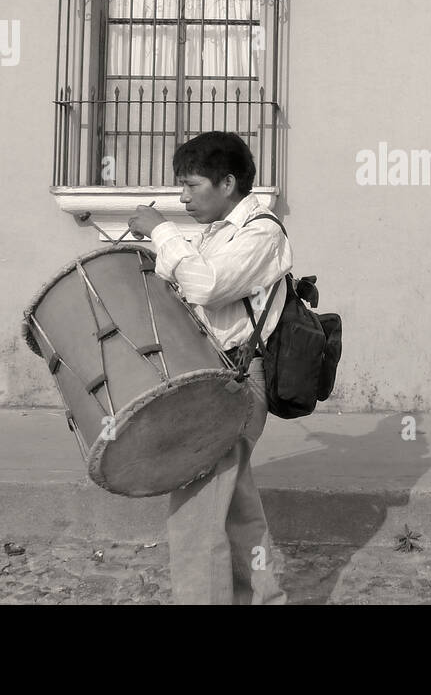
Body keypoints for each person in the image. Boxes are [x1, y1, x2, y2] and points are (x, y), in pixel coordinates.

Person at [127, 131, 290, 604]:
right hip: (212, 379)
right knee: (236, 512)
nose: (182, 197)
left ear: (227, 183)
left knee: (195, 515)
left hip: (235, 383)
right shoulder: (217, 232)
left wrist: (162, 232)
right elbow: (180, 285)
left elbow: (207, 285)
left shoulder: (262, 231)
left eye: (191, 184)